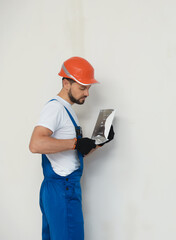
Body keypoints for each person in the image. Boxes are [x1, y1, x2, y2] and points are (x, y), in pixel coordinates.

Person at [29, 56, 114, 240]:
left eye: (89, 88)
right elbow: (36, 144)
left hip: (60, 190)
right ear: (66, 83)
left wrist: (98, 142)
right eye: (82, 88)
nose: (87, 93)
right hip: (62, 190)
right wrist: (75, 143)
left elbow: (74, 155)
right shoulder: (55, 109)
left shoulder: (68, 111)